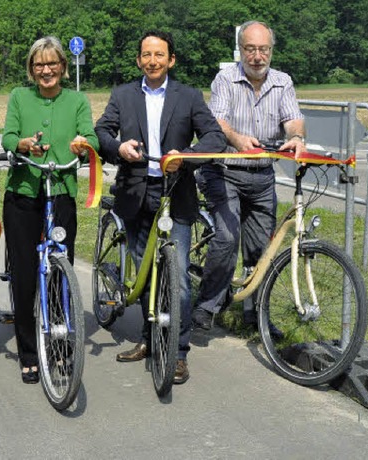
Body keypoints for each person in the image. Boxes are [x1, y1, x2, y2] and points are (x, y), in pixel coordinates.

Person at [95, 30, 226, 384]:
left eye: (159, 55)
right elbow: (102, 132)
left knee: (178, 279)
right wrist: (118, 148)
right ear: (139, 60)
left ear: (171, 60)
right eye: (146, 55)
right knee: (145, 275)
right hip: (135, 193)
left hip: (176, 194)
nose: (152, 60)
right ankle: (149, 340)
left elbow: (215, 137)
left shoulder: (188, 96)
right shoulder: (123, 94)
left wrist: (185, 157)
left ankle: (178, 353)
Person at [191, 20, 306, 331]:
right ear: (241, 50)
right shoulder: (225, 78)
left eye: (264, 49)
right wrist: (238, 139)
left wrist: (296, 137)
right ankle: (207, 305)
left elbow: (293, 119)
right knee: (227, 238)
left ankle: (256, 316)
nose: (257, 56)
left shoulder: (283, 81)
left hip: (261, 177)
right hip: (223, 172)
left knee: (261, 250)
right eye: (251, 49)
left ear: (271, 51)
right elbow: (218, 120)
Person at [2, 36, 99, 384]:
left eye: (53, 63)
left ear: (62, 65)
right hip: (23, 192)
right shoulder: (18, 96)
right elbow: (8, 137)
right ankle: (29, 351)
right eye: (39, 65)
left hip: (60, 191)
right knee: (26, 276)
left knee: (60, 271)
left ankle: (61, 345)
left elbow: (92, 136)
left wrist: (84, 143)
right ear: (31, 69)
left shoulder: (76, 100)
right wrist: (22, 143)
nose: (46, 70)